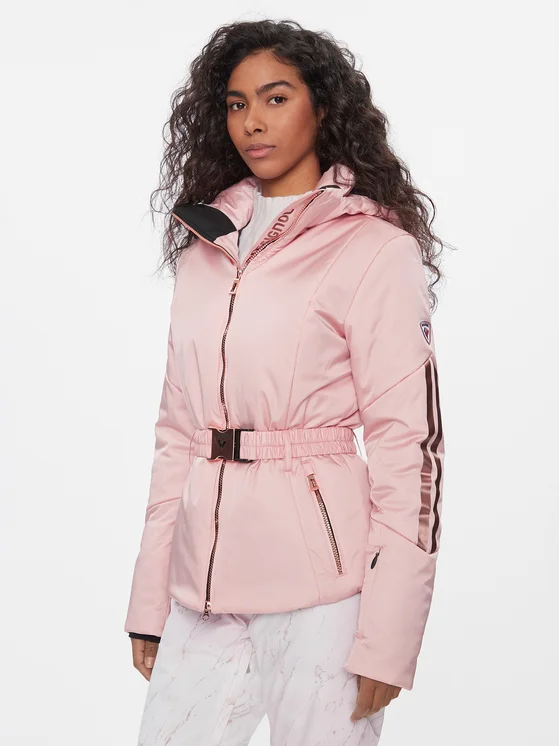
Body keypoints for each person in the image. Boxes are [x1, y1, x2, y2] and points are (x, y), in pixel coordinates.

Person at [124, 18, 447, 746]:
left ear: (322, 108)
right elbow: (177, 434)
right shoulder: (204, 248)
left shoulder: (374, 249)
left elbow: (410, 446)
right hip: (202, 585)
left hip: (324, 589)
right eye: (236, 104)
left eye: (276, 98)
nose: (253, 122)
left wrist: (390, 632)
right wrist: (150, 601)